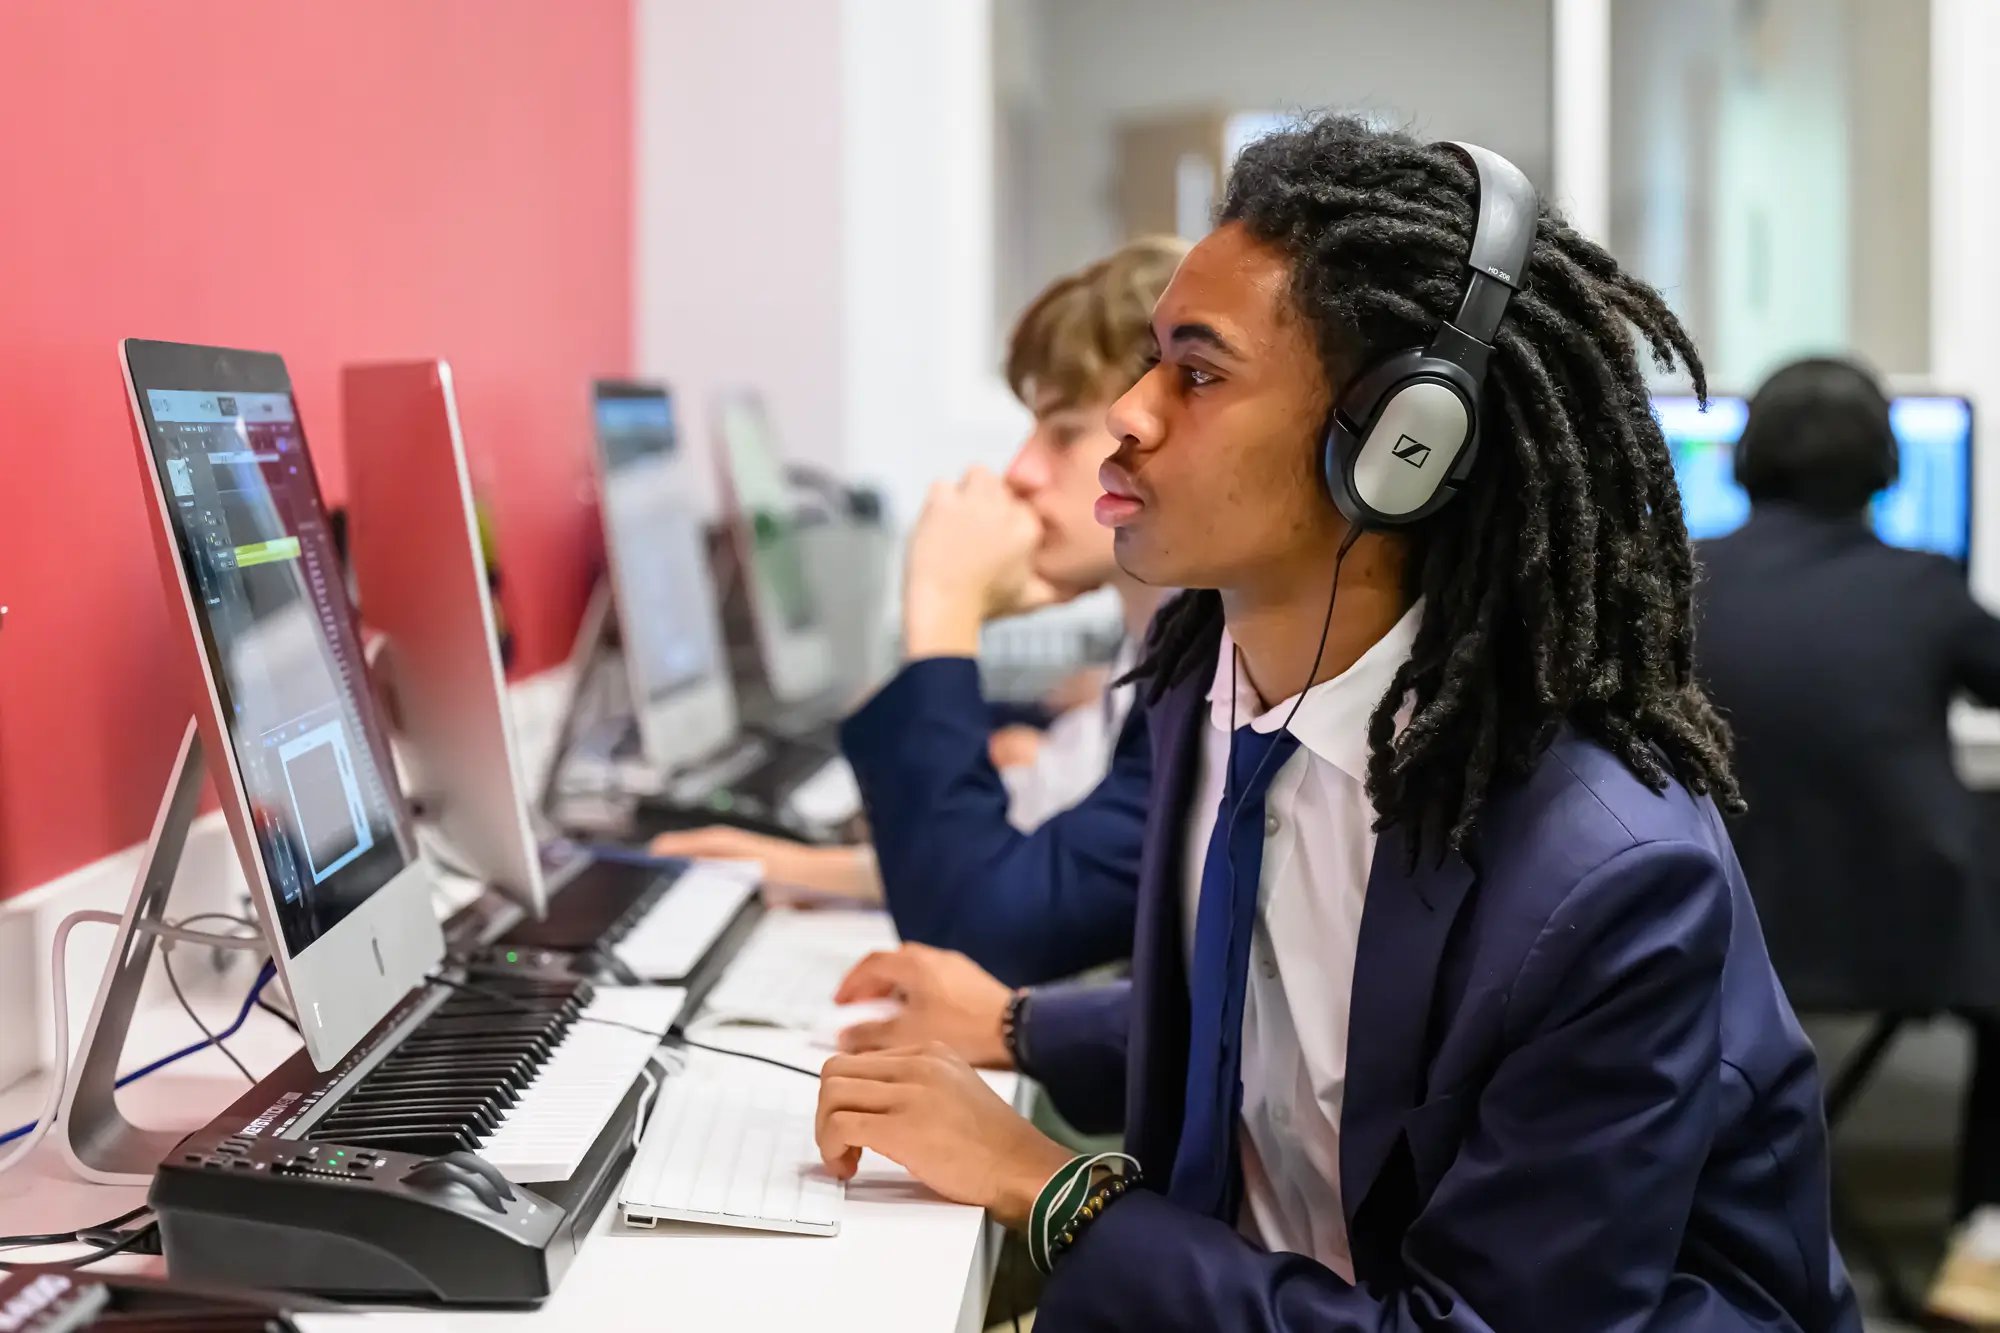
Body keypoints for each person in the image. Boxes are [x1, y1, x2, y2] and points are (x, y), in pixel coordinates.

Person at [809, 114, 1858, 1331]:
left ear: (1400, 452)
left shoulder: (1605, 882)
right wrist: (1015, 1026)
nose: (1127, 418)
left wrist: (1043, 1184)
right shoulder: (1213, 698)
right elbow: (1288, 1025)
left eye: (1194, 374)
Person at [652, 239, 1183, 984]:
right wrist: (799, 867)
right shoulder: (1158, 649)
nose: (1019, 472)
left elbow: (984, 927)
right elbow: (1031, 861)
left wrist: (944, 607)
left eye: (1061, 432)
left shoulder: (1208, 675)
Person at [1690, 357, 2000, 1326]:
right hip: (1905, 939)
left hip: (1705, 931)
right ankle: (1981, 1240)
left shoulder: (1670, 577)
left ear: (1741, 462)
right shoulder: (1923, 588)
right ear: (1884, 472)